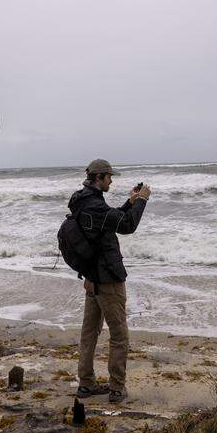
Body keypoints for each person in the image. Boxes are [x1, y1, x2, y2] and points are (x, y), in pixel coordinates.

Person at [70, 158, 150, 404]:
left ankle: (85, 384)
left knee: (89, 333)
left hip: (92, 278)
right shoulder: (94, 205)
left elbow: (111, 220)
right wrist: (143, 200)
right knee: (119, 335)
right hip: (108, 279)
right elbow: (127, 225)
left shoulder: (83, 200)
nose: (111, 180)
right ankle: (116, 388)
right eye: (109, 177)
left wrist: (130, 202)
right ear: (98, 178)